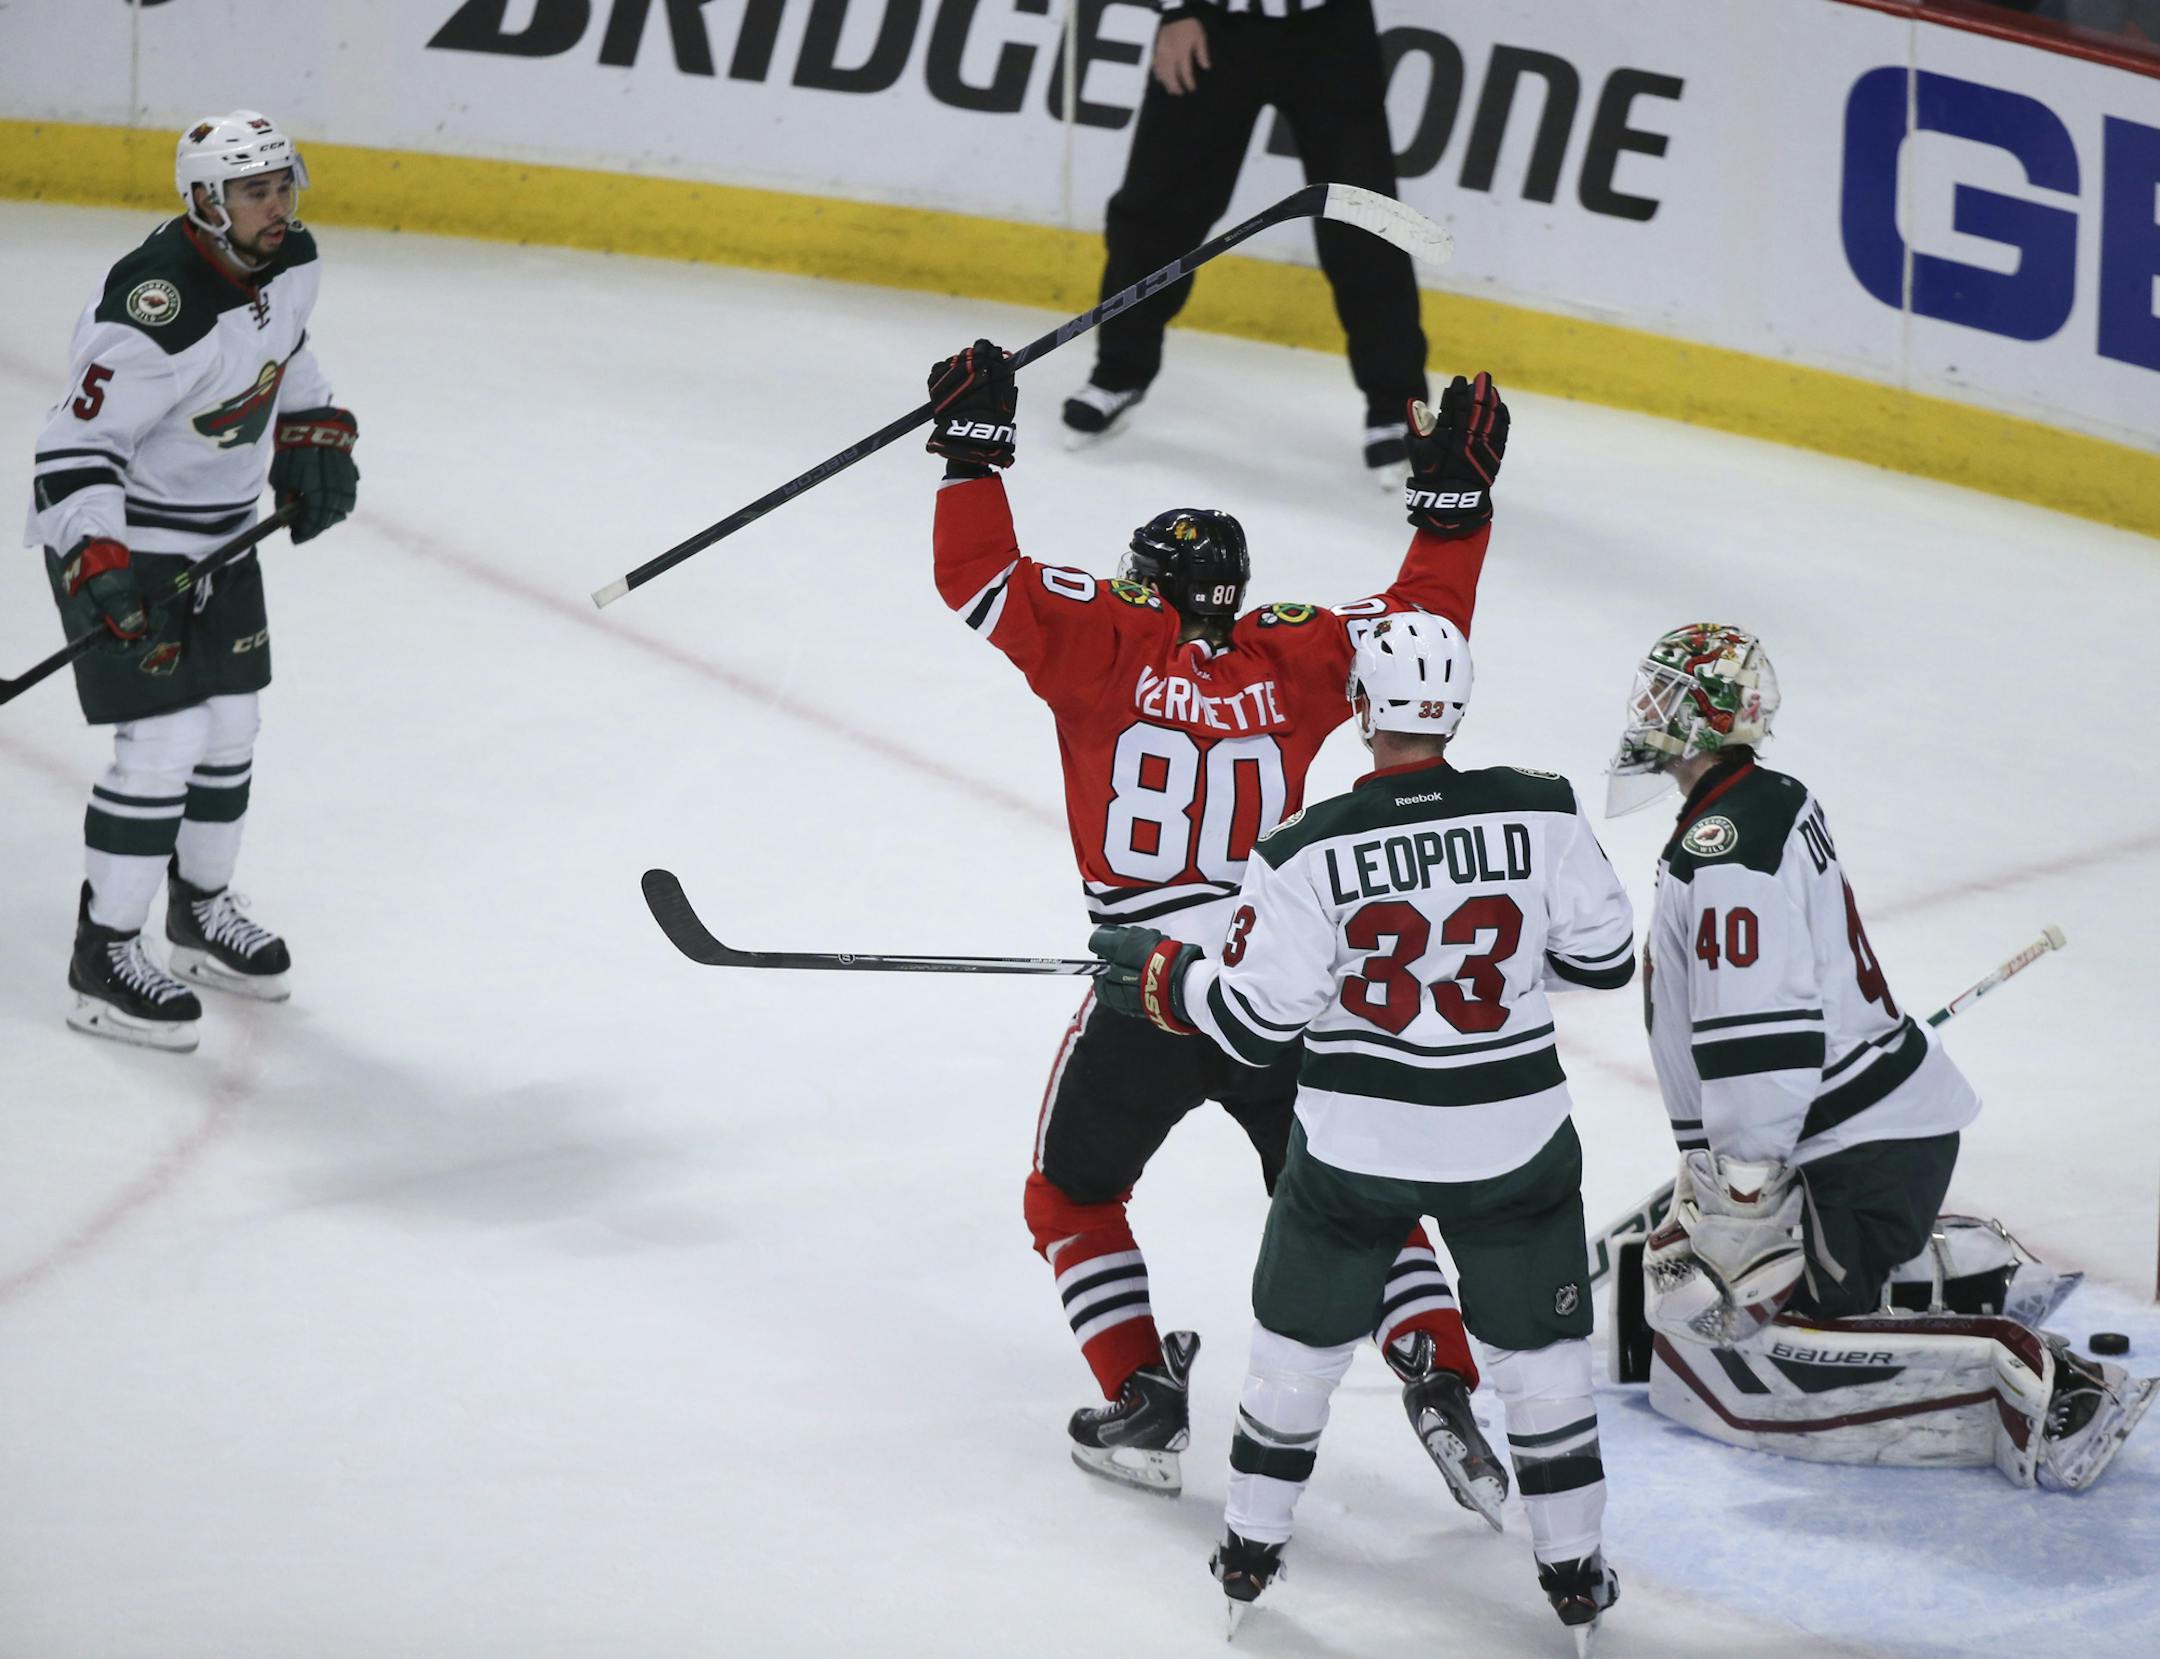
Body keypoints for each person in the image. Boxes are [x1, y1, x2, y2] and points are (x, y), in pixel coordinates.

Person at [926, 341, 1509, 1504]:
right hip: (1278, 986)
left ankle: (1140, 1398)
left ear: (1145, 582)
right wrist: (1456, 510)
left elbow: (978, 576)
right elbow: (1418, 623)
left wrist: (972, 449)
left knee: (1071, 1198)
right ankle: (1439, 1373)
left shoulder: (1104, 643)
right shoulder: (1288, 658)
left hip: (1147, 988)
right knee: (1349, 1196)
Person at [1088, 613, 1636, 1652]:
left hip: (1357, 1152)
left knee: (1297, 1359)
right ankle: (1573, 1572)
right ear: (1457, 706)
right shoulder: (1543, 808)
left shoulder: (1304, 849)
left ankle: (1250, 1551)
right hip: (1512, 1139)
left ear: (1358, 709)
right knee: (1544, 1365)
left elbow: (1255, 1026)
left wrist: (1170, 980)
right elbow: (1606, 963)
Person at [1605, 624, 2156, 1489]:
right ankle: (1960, 1277)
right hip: (1859, 1131)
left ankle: (2062, 1390)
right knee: (1715, 1296)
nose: (1645, 711)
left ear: (1714, 713)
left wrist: (1745, 1180)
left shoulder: (1728, 847)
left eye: (1665, 694)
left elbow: (1762, 1030)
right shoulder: (1761, 798)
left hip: (1855, 1146)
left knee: (1771, 1327)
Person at [25, 111, 360, 1052]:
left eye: (282, 183)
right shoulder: (154, 308)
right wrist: (97, 563)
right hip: (125, 540)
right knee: (164, 737)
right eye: (255, 191)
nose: (277, 205)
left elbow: (286, 351)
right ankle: (104, 953)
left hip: (219, 537)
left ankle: (199, 913)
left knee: (230, 727)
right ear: (205, 201)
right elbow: (72, 449)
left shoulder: (291, 262)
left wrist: (311, 427)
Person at [1063, 0, 1431, 481]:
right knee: (1157, 210)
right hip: (1211, 21)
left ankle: (1395, 406)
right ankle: (1119, 372)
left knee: (1363, 223)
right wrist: (1176, 12)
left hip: (1331, 28)